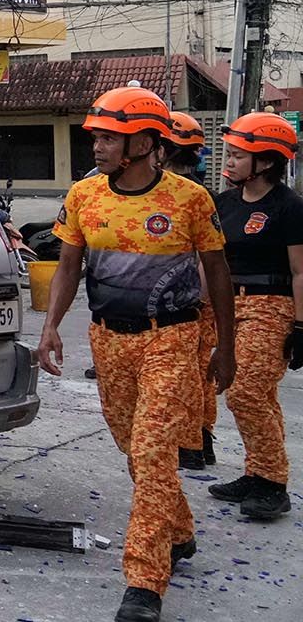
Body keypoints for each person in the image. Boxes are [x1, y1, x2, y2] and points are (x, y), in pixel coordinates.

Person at [36, 85, 236, 622]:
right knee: (134, 448)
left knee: (151, 452)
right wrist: (51, 327)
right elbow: (69, 265)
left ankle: (145, 582)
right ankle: (180, 530)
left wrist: (225, 347)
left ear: (146, 142)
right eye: (97, 137)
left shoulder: (191, 201)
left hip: (171, 337)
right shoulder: (83, 196)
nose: (98, 147)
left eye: (110, 138)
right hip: (108, 339)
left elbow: (217, 273)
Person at [205, 112, 303, 520]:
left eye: (237, 156)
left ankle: (273, 484)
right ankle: (258, 471)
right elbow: (208, 261)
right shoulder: (222, 203)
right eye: (228, 154)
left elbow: (301, 271)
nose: (228, 162)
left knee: (245, 391)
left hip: (271, 305)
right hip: (227, 304)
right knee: (259, 395)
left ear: (264, 162)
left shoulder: (289, 207)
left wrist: (300, 326)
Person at [161, 111, 220, 471]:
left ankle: (191, 442)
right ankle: (201, 438)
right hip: (202, 299)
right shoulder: (206, 194)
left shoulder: (180, 196)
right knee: (199, 372)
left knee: (184, 373)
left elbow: (204, 257)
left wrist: (195, 300)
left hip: (187, 301)